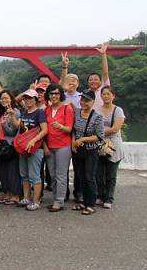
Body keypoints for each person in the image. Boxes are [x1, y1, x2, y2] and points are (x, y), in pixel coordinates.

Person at [71, 89, 105, 216]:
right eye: (82, 99)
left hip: (91, 150)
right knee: (80, 176)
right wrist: (73, 143)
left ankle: (91, 204)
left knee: (89, 177)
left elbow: (99, 136)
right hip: (78, 150)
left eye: (87, 100)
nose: (83, 102)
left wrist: (83, 139)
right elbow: (73, 130)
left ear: (93, 102)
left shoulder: (97, 117)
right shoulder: (77, 113)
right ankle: (84, 202)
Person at [16, 89, 48, 211]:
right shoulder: (24, 112)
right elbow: (19, 126)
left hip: (35, 148)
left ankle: (36, 201)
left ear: (35, 100)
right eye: (26, 98)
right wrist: (13, 116)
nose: (28, 100)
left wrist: (33, 140)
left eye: (30, 98)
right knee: (24, 174)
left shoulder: (40, 112)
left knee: (34, 176)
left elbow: (45, 130)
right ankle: (26, 198)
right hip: (24, 148)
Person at [44, 83, 74, 212]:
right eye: (51, 93)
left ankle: (59, 201)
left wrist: (60, 126)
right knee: (52, 175)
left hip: (63, 146)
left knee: (61, 175)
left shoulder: (67, 108)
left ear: (60, 94)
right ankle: (56, 199)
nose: (54, 96)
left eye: (56, 93)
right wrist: (45, 146)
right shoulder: (47, 110)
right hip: (49, 146)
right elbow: (43, 130)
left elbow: (69, 129)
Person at [96, 86, 125, 209]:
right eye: (104, 94)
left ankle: (109, 198)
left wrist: (99, 132)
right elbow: (93, 126)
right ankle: (100, 196)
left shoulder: (118, 110)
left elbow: (115, 129)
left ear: (113, 96)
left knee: (111, 174)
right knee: (99, 174)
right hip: (99, 145)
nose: (106, 96)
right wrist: (101, 132)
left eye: (108, 94)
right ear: (101, 96)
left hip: (114, 145)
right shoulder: (97, 110)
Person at [0, 91, 21, 205]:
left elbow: (13, 131)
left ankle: (15, 195)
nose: (4, 100)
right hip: (3, 145)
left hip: (11, 146)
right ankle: (8, 193)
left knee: (12, 171)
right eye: (2, 99)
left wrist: (4, 124)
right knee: (4, 171)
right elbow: (1, 132)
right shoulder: (2, 112)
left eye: (6, 98)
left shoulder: (15, 112)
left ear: (11, 99)